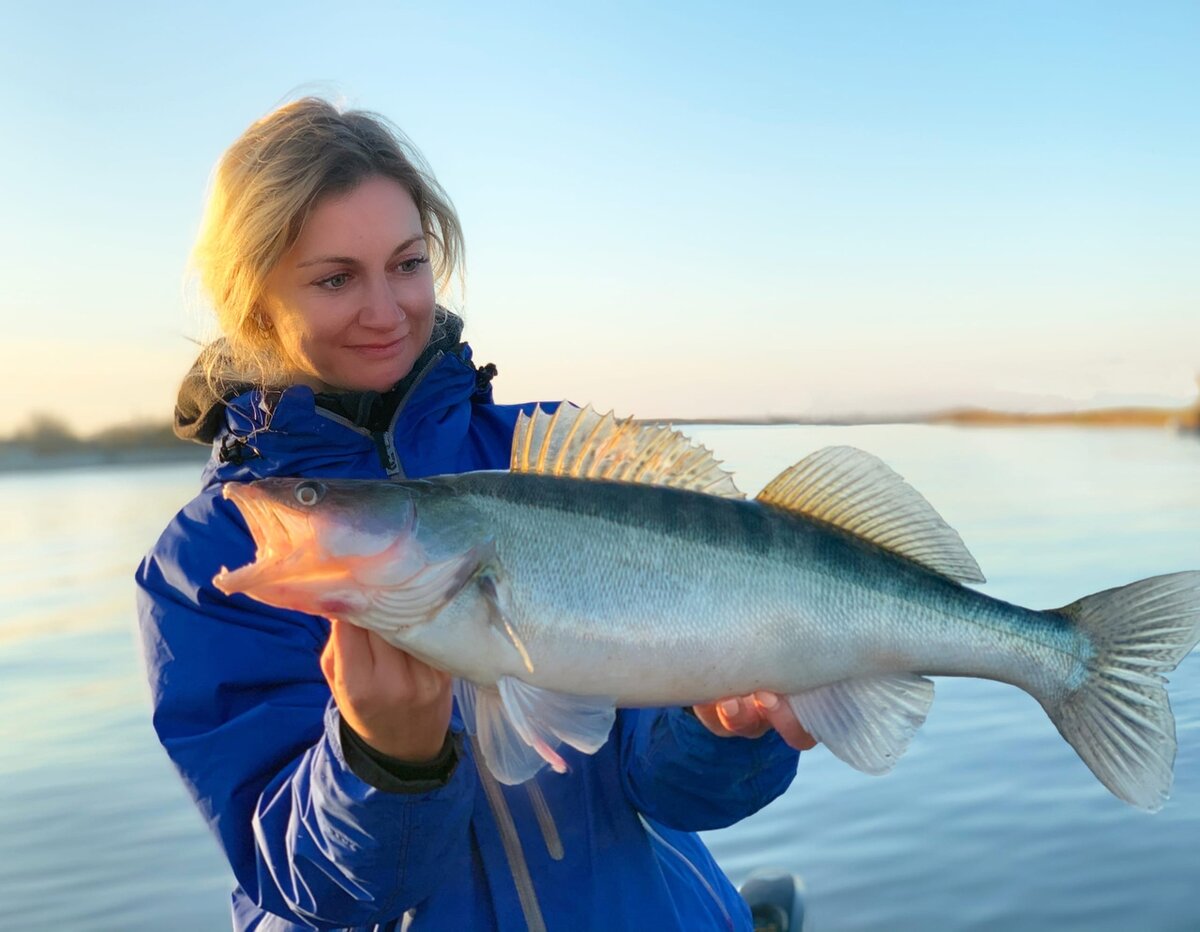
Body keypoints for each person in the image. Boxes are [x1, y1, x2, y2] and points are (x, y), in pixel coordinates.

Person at [136, 97, 814, 932]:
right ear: (253, 300)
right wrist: (384, 759)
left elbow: (666, 786)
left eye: (408, 264)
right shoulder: (207, 561)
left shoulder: (540, 453)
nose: (386, 310)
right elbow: (310, 889)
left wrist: (723, 729)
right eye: (335, 278)